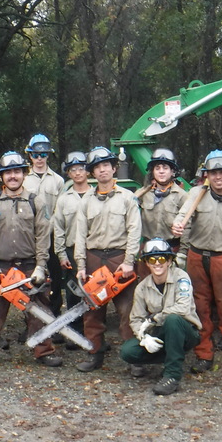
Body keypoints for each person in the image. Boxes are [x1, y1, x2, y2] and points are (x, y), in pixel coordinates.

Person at [0, 151, 62, 367]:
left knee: (39, 311)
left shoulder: (36, 201)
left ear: (24, 174)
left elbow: (43, 236)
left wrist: (41, 266)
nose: (12, 176)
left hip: (29, 265)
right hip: (1, 267)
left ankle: (44, 351)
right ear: (2, 176)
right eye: (8, 172)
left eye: (17, 171)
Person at [171, 150, 222, 377]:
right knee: (200, 309)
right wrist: (177, 225)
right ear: (206, 175)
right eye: (213, 173)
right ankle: (204, 356)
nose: (218, 177)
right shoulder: (196, 194)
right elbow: (183, 217)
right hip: (197, 258)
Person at [73, 146, 142, 372]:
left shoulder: (128, 198)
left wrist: (129, 261)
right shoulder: (86, 201)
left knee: (128, 310)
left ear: (114, 168)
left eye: (106, 165)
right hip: (94, 259)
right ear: (92, 172)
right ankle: (95, 354)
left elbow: (134, 231)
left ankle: (134, 357)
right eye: (97, 167)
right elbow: (80, 235)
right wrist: (81, 265)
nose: (102, 170)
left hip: (119, 259)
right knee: (93, 311)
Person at [120, 238, 202, 395]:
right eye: (152, 260)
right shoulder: (142, 287)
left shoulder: (181, 278)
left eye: (162, 259)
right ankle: (172, 356)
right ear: (147, 263)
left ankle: (172, 376)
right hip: (161, 332)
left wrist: (154, 319)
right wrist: (143, 337)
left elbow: (183, 308)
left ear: (169, 261)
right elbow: (136, 319)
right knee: (128, 351)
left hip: (186, 332)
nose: (157, 263)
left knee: (173, 319)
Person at [22, 133, 66, 317]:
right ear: (30, 155)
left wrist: (49, 229)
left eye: (43, 154)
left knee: (55, 279)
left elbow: (60, 209)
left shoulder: (58, 181)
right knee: (30, 279)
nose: (39, 158)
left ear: (48, 155)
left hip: (52, 237)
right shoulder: (23, 179)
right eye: (36, 155)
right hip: (28, 238)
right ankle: (32, 320)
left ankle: (54, 316)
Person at [51, 151, 92, 342]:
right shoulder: (64, 199)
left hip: (93, 251)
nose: (77, 173)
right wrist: (61, 254)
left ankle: (93, 331)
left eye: (81, 168)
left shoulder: (97, 195)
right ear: (68, 173)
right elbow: (58, 228)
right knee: (73, 292)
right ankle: (74, 331)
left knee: (94, 292)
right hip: (71, 250)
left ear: (88, 171)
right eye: (73, 170)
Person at [137, 148, 187, 268]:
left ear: (172, 171)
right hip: (147, 249)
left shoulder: (182, 196)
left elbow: (188, 228)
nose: (161, 171)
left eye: (165, 168)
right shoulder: (143, 194)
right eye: (157, 168)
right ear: (152, 172)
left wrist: (182, 253)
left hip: (172, 249)